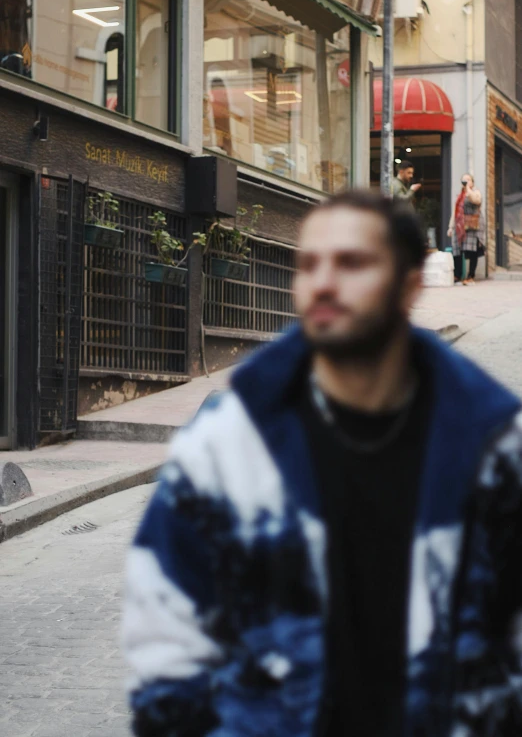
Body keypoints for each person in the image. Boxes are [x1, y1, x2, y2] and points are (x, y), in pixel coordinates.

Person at [122, 189, 522, 737]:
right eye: (309, 265)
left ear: (409, 285)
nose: (324, 283)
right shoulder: (232, 441)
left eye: (352, 262)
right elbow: (166, 616)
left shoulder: (492, 446)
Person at [447, 173, 484, 285]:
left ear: (472, 182)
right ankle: (457, 275)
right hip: (460, 226)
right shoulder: (459, 195)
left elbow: (476, 201)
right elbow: (455, 212)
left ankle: (470, 276)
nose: (466, 181)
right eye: (464, 179)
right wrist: (450, 227)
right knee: (457, 251)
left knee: (472, 251)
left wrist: (468, 189)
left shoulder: (475, 192)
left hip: (472, 225)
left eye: (468, 180)